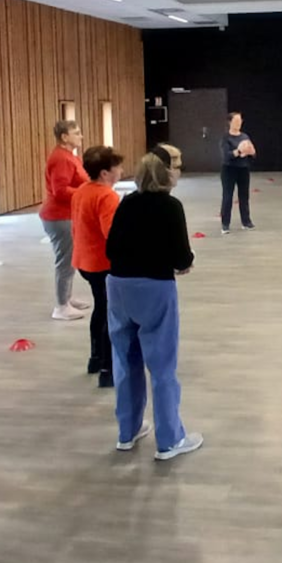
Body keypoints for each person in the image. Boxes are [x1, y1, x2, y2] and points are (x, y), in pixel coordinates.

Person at [106, 144, 203, 460]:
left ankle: (127, 431)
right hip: (154, 289)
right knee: (162, 365)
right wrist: (184, 263)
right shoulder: (170, 207)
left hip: (119, 287)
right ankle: (169, 439)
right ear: (166, 173)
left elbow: (111, 248)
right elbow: (182, 257)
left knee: (125, 360)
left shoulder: (127, 202)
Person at [71, 146, 125, 389]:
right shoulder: (107, 197)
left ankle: (95, 358)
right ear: (105, 173)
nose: (121, 170)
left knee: (100, 309)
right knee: (110, 314)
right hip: (102, 263)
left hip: (84, 260)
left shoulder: (82, 191)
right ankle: (107, 369)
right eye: (117, 167)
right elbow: (111, 235)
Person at [39, 120, 92, 321]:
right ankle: (61, 306)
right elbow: (60, 191)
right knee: (66, 261)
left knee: (71, 258)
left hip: (68, 215)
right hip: (59, 217)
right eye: (76, 133)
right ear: (64, 137)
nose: (81, 136)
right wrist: (86, 192)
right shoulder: (61, 158)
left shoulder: (70, 156)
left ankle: (67, 298)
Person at [219, 112, 256, 234]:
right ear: (230, 122)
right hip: (229, 170)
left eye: (240, 121)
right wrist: (239, 151)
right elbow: (226, 156)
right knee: (227, 197)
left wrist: (250, 151)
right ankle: (225, 224)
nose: (238, 123)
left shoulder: (244, 136)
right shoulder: (226, 138)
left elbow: (252, 152)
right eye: (236, 121)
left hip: (243, 169)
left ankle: (246, 222)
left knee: (244, 196)